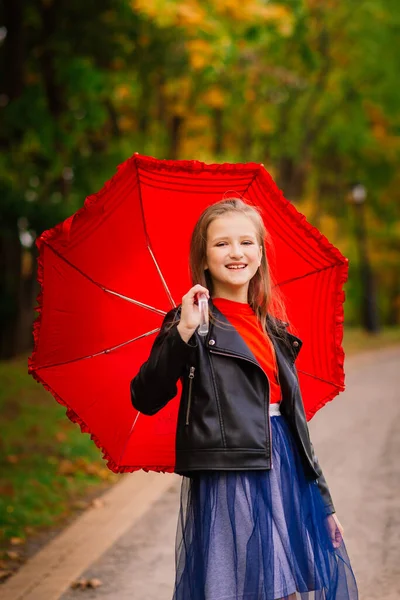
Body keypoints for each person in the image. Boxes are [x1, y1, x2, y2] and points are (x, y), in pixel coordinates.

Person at [130, 198, 358, 600]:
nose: (236, 252)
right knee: (241, 589)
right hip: (229, 473)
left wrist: (323, 503)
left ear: (261, 253)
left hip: (282, 464)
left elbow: (297, 425)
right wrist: (182, 332)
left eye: (247, 242)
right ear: (203, 255)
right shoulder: (192, 322)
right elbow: (146, 396)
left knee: (288, 589)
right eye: (222, 244)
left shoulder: (273, 329)